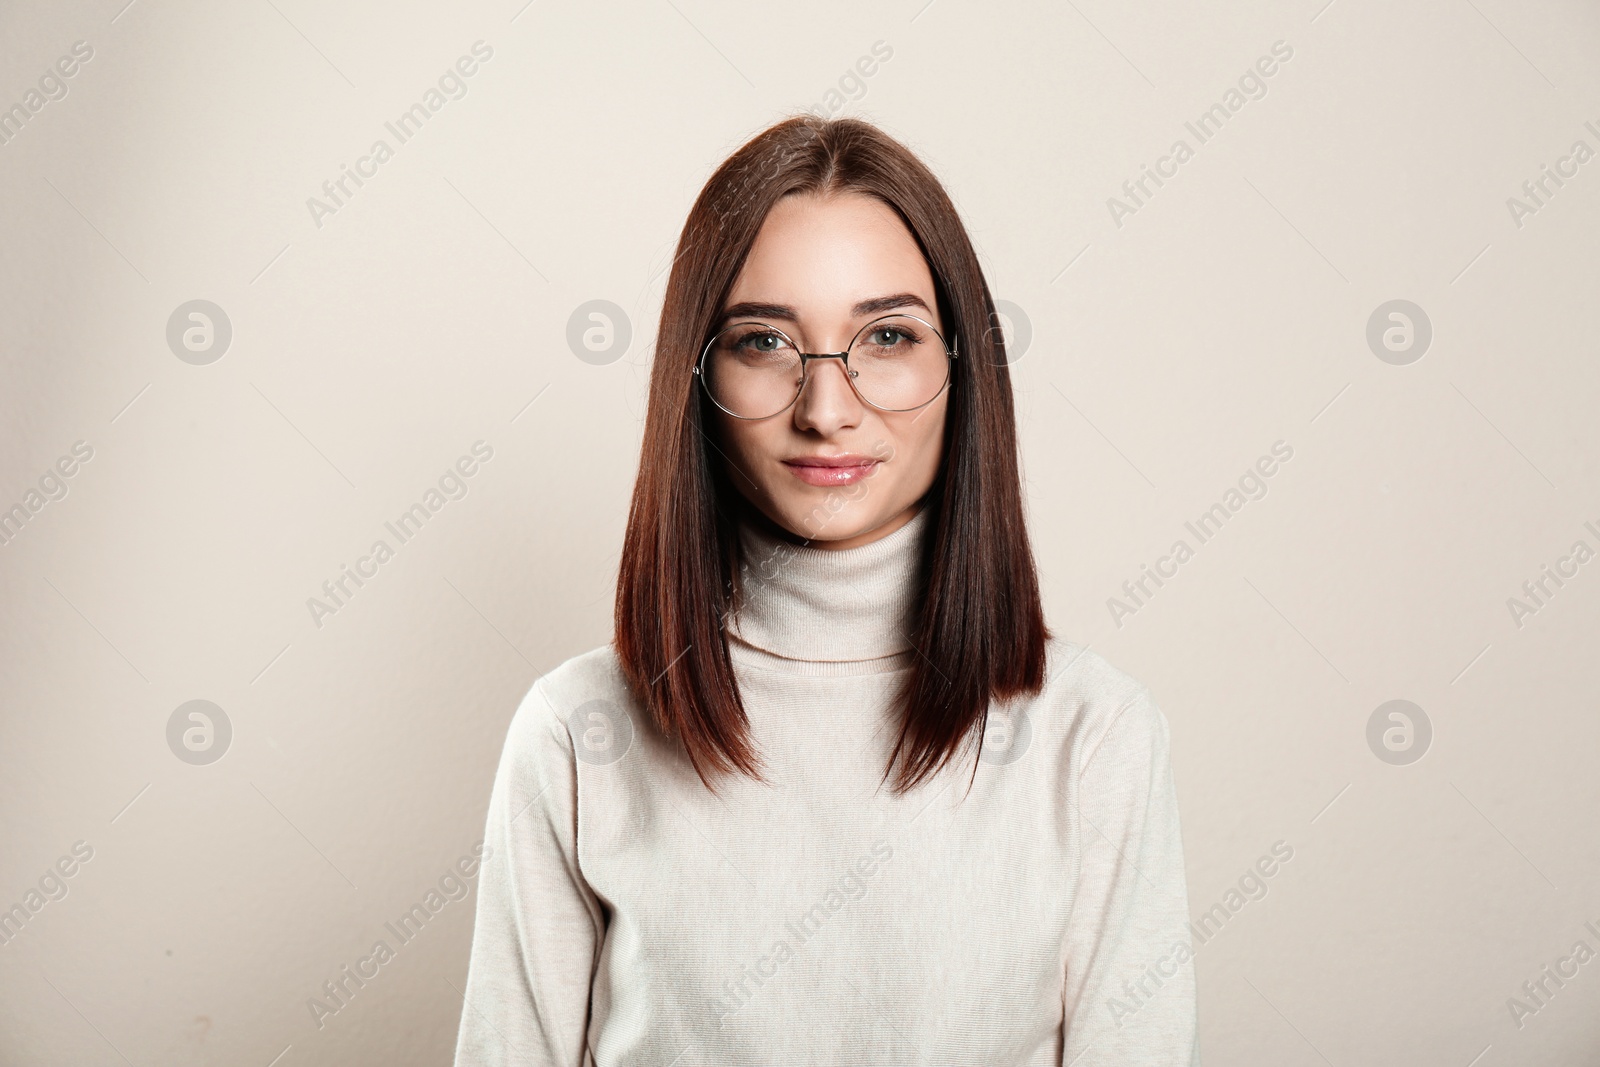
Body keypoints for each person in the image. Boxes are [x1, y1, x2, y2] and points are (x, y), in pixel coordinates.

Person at [453, 114, 1200, 1066]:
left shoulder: (1096, 739)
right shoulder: (574, 732)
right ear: (697, 379)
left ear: (961, 369)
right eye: (762, 341)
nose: (828, 407)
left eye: (887, 334)